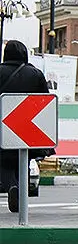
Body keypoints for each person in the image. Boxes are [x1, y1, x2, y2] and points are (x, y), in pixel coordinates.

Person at [0, 41, 51, 203]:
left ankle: (11, 187)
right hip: (27, 126)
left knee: (3, 162)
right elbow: (44, 101)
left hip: (2, 126)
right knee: (24, 159)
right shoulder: (35, 74)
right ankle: (20, 193)